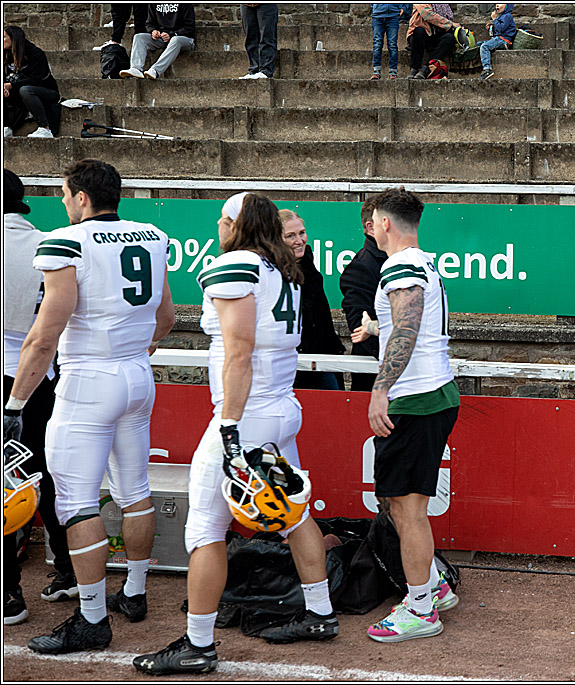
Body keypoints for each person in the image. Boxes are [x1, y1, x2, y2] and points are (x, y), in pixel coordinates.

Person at [133, 193, 337, 676]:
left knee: (205, 527)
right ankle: (320, 613)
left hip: (247, 414)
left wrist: (228, 424)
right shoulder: (282, 268)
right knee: (294, 512)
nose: (217, 227)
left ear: (237, 225)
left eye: (223, 219)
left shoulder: (240, 264)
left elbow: (240, 351)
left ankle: (198, 644)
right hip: (281, 407)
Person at [2, 159, 175, 654]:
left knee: (76, 501)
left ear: (80, 197)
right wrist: (132, 353)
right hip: (137, 377)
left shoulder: (66, 242)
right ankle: (136, 591)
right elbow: (165, 316)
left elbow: (43, 338)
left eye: (64, 194)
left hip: (88, 380)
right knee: (135, 489)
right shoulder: (151, 235)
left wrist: (16, 401)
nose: (62, 202)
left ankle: (93, 618)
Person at [364, 188, 460, 643]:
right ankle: (432, 589)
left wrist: (380, 388)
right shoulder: (424, 263)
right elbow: (407, 323)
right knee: (405, 506)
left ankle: (421, 607)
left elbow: (408, 326)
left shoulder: (400, 265)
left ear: (384, 222)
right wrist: (376, 327)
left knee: (407, 509)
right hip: (432, 393)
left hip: (415, 399)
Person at [3, 169, 75, 626]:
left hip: (10, 374)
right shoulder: (51, 241)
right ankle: (67, 569)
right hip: (47, 375)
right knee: (45, 475)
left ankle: (9, 594)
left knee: (8, 487)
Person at [280, 208, 346, 390]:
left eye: (302, 233)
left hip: (323, 360)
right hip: (294, 364)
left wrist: (334, 347)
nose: (299, 241)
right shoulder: (273, 274)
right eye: (290, 236)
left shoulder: (308, 264)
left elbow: (321, 313)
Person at [340, 196, 388, 392]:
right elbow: (359, 329)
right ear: (370, 228)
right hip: (375, 376)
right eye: (386, 222)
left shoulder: (401, 259)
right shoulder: (360, 268)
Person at [3, 26, 60, 139]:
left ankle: (45, 128)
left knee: (26, 90)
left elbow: (36, 79)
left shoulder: (35, 53)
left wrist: (11, 85)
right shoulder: (6, 55)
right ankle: (6, 127)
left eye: (4, 37)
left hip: (46, 91)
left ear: (14, 38)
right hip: (20, 93)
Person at [120, 3, 195, 80]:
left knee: (175, 40)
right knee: (139, 37)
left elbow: (190, 27)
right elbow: (149, 24)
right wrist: (153, 31)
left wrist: (172, 34)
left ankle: (155, 70)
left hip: (184, 39)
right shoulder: (153, 4)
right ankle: (136, 68)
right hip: (162, 38)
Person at [406, 3, 463, 80]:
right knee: (419, 31)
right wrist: (450, 24)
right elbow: (428, 15)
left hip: (435, 35)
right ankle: (414, 69)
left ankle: (427, 67)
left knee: (449, 37)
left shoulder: (444, 5)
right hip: (419, 36)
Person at [370, 4, 410, 81]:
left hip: (393, 16)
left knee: (392, 44)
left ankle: (393, 71)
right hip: (377, 16)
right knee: (377, 44)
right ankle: (376, 71)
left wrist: (403, 7)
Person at [239, 3, 278, 79]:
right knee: (250, 37)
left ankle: (266, 71)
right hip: (246, 4)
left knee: (267, 36)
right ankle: (254, 69)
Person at [478, 3, 515, 81]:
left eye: (500, 3)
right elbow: (497, 31)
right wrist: (490, 28)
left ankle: (487, 69)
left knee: (485, 46)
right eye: (497, 3)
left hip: (504, 40)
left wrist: (494, 19)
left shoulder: (507, 16)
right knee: (479, 44)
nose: (497, 5)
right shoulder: (501, 16)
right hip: (499, 38)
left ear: (507, 6)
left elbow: (501, 29)